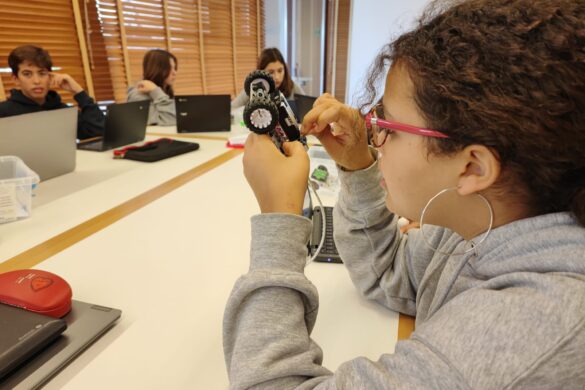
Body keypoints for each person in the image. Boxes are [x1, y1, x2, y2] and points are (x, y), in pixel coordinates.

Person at [223, 0, 585, 388]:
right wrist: (358, 164)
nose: (375, 137)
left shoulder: (523, 330)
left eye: (389, 127)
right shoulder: (482, 221)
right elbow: (387, 273)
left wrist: (279, 216)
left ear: (473, 167)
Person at [0, 45, 104, 140]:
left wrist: (79, 92)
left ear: (50, 76)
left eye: (42, 73)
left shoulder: (62, 110)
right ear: (16, 79)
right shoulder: (4, 112)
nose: (37, 81)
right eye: (27, 74)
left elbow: (99, 132)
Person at [231, 47, 305, 109]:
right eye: (271, 72)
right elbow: (232, 108)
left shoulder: (292, 86)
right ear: (261, 73)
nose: (277, 77)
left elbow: (307, 109)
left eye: (280, 70)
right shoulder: (253, 87)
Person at [127, 49, 177, 126]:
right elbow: (171, 120)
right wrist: (156, 91)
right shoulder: (138, 95)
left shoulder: (164, 90)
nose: (174, 72)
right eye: (170, 68)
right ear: (157, 69)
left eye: (174, 68)